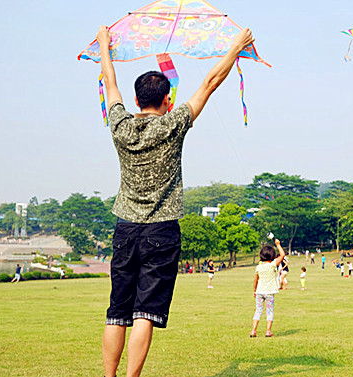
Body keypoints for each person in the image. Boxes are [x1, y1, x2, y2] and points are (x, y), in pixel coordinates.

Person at [96, 25, 256, 377]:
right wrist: (235, 47)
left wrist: (106, 47)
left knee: (117, 311)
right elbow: (211, 82)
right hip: (161, 232)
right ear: (167, 99)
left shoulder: (120, 125)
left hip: (125, 230)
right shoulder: (174, 123)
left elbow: (110, 82)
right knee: (145, 313)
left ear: (137, 101)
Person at [251, 239, 286, 337]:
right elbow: (282, 255)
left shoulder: (259, 267)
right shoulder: (272, 265)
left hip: (259, 292)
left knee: (258, 311)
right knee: (269, 311)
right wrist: (278, 244)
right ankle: (268, 331)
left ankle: (253, 330)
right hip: (269, 292)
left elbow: (255, 281)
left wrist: (255, 291)